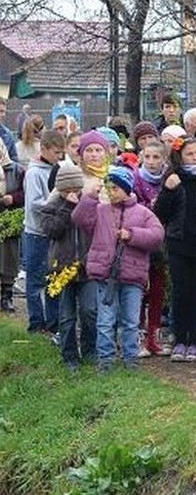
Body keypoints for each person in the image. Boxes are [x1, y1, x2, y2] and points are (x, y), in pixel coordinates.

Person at [72, 166, 165, 372]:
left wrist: (132, 235)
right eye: (108, 188)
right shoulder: (99, 210)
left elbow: (157, 235)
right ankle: (105, 360)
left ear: (126, 189)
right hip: (106, 275)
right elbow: (78, 218)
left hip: (133, 276)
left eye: (115, 188)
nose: (111, 192)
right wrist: (90, 196)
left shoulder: (143, 213)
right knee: (105, 320)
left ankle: (131, 360)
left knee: (131, 321)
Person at [154, 137, 196, 362]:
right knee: (180, 291)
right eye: (190, 154)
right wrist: (167, 191)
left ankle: (194, 341)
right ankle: (179, 340)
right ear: (180, 156)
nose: (195, 158)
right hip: (179, 242)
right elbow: (160, 213)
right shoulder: (173, 179)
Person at [41, 162, 93, 369]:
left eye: (75, 189)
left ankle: (90, 350)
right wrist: (68, 208)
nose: (72, 193)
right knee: (67, 316)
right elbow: (52, 230)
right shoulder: (51, 207)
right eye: (67, 189)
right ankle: (69, 356)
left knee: (90, 311)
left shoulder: (89, 203)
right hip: (61, 268)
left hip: (86, 267)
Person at [24, 128, 65, 335]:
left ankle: (53, 323)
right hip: (35, 233)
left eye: (61, 153)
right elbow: (34, 204)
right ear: (44, 149)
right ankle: (36, 323)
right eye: (56, 153)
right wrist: (56, 201)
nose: (59, 157)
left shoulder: (56, 169)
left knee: (53, 279)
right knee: (34, 281)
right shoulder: (34, 173)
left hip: (52, 233)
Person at [134, 140, 170, 357]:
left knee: (158, 289)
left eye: (156, 157)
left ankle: (153, 335)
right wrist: (150, 206)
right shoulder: (135, 179)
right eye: (147, 157)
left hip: (162, 242)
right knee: (138, 289)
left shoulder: (168, 180)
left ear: (163, 159)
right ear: (141, 157)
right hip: (140, 242)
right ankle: (136, 334)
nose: (152, 162)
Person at [0, 109, 23, 312]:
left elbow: (23, 193)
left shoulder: (14, 169)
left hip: (8, 214)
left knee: (9, 255)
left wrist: (12, 198)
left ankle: (6, 294)